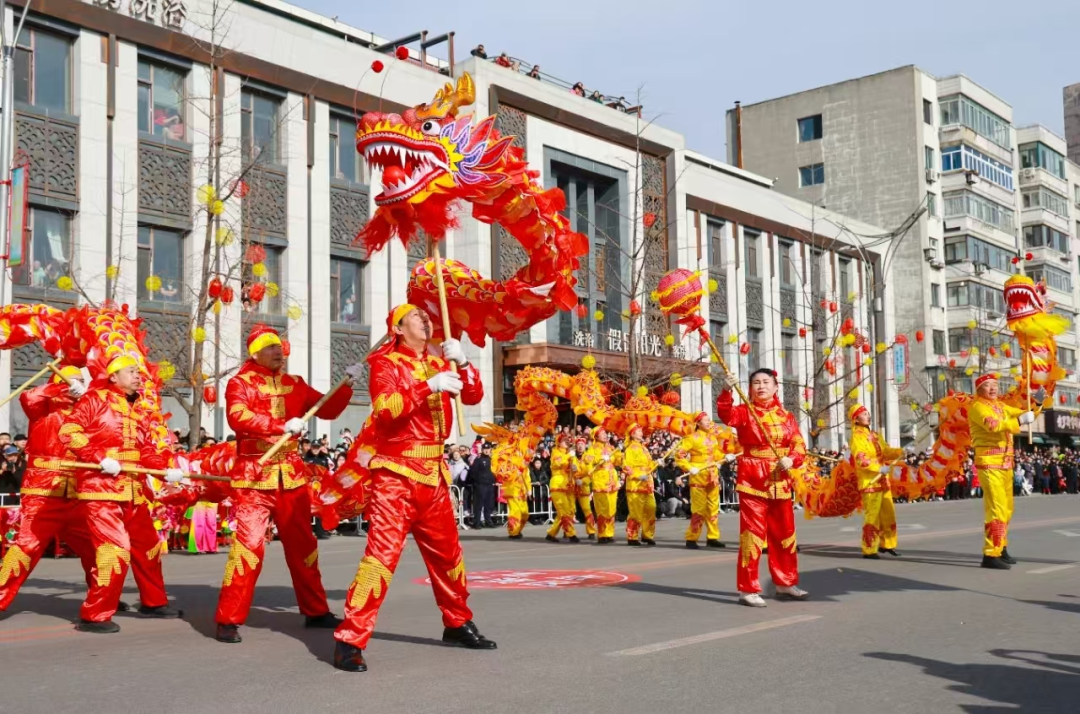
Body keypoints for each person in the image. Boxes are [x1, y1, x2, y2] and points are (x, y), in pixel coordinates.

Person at [333, 304, 495, 672]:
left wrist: (465, 364)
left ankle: (456, 622)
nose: (426, 320)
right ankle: (350, 638)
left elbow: (472, 398)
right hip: (396, 475)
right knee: (380, 559)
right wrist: (428, 386)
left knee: (448, 557)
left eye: (426, 317)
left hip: (434, 475)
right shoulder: (386, 364)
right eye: (416, 317)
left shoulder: (440, 361)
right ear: (399, 327)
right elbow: (386, 408)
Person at [214, 325, 353, 643]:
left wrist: (346, 385)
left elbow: (328, 408)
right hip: (255, 477)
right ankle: (228, 617)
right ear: (255, 353)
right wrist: (277, 425)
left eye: (280, 346)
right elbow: (238, 416)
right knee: (248, 549)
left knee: (304, 547)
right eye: (271, 347)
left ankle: (315, 610)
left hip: (291, 477)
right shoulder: (240, 383)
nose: (279, 352)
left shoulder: (295, 384)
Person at [58, 355, 184, 632]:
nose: (138, 376)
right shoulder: (95, 400)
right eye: (131, 371)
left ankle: (154, 601)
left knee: (149, 549)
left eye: (138, 372)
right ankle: (95, 614)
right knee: (115, 552)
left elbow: (147, 451)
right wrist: (97, 456)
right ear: (113, 376)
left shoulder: (139, 409)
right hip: (102, 490)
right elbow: (68, 431)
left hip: (134, 490)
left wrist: (165, 469)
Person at [0, 367, 97, 614]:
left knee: (96, 549)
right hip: (43, 491)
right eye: (72, 382)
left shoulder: (86, 414)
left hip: (78, 492)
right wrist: (61, 388)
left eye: (79, 382)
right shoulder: (43, 408)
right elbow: (28, 397)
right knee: (26, 547)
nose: (77, 386)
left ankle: (102, 598)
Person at [717, 368, 808, 607]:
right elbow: (726, 415)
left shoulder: (786, 416)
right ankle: (748, 589)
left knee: (785, 535)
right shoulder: (745, 412)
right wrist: (726, 390)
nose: (761, 386)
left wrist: (792, 459)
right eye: (756, 382)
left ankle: (785, 582)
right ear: (749, 388)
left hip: (780, 480)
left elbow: (798, 443)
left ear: (776, 387)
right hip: (753, 481)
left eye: (766, 382)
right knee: (753, 536)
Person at [967, 372, 1033, 570]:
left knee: (1006, 509)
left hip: (1006, 464)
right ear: (979, 389)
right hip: (989, 463)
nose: (993, 388)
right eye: (988, 385)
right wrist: (1020, 421)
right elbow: (993, 426)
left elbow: (1023, 413)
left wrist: (1036, 403)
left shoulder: (1001, 406)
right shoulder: (977, 407)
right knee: (996, 509)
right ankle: (990, 554)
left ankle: (1001, 546)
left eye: (995, 384)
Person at [848, 403, 904, 559]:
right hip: (870, 480)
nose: (868, 415)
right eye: (864, 413)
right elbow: (860, 459)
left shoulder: (875, 435)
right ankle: (869, 548)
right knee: (872, 515)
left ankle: (887, 544)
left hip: (883, 479)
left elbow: (885, 451)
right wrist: (878, 468)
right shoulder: (856, 437)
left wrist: (899, 452)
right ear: (856, 419)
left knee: (888, 513)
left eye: (868, 413)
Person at [675, 413, 728, 549]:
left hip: (712, 475)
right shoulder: (691, 438)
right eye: (706, 420)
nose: (709, 422)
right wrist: (689, 467)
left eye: (710, 420)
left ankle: (712, 537)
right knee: (698, 509)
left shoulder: (713, 438)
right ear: (698, 423)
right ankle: (692, 538)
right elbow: (679, 455)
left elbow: (716, 454)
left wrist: (725, 457)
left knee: (713, 509)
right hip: (698, 475)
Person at [583, 427, 621, 544]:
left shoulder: (610, 447)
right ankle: (602, 534)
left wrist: (620, 453)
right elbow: (587, 460)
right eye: (602, 433)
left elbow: (618, 461)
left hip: (612, 481)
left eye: (605, 433)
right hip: (600, 482)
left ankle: (609, 533)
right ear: (596, 436)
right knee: (602, 509)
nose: (605, 435)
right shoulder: (592, 449)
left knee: (611, 509)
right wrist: (599, 458)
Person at [622, 425, 657, 546]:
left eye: (641, 430)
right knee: (636, 512)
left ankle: (647, 535)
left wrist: (657, 463)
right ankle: (632, 536)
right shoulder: (630, 449)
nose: (641, 432)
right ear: (632, 434)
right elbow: (626, 467)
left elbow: (649, 464)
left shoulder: (644, 448)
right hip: (635, 484)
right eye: (638, 431)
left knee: (651, 509)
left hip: (647, 483)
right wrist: (638, 475)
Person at [546, 432, 580, 543]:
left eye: (567, 440)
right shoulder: (555, 452)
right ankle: (571, 534)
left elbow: (576, 470)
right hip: (558, 485)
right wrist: (568, 457)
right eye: (564, 440)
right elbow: (557, 464)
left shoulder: (571, 454)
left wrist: (575, 468)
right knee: (564, 511)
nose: (567, 442)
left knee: (570, 511)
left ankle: (551, 533)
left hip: (569, 485)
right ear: (559, 443)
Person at [573, 437, 596, 539]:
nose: (580, 446)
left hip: (583, 486)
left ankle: (591, 531)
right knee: (569, 510)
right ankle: (568, 531)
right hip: (571, 486)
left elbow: (590, 473)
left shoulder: (588, 458)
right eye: (578, 444)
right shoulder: (571, 457)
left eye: (582, 444)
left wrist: (583, 481)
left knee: (587, 509)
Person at [468, 442, 496, 528]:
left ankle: (488, 521)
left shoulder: (491, 459)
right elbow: (472, 472)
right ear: (482, 450)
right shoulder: (478, 459)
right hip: (480, 485)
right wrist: (478, 481)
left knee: (489, 504)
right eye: (485, 449)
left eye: (488, 449)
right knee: (479, 505)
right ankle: (477, 523)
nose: (487, 451)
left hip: (489, 485)